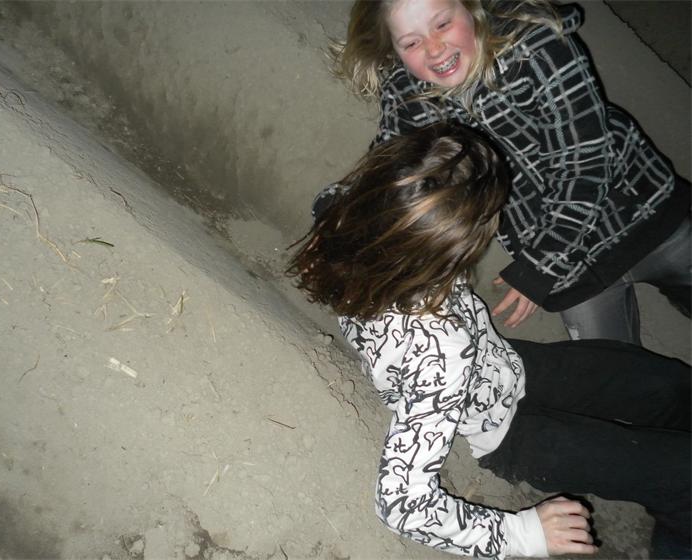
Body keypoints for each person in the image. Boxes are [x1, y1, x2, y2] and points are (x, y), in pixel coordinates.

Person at [289, 123, 691, 559]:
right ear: (450, 251)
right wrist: (522, 533)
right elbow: (402, 504)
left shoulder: (344, 211)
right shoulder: (439, 352)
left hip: (508, 366)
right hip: (506, 434)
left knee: (667, 385)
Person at [313, 0, 691, 344]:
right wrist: (338, 213)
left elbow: (583, 166)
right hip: (576, 274)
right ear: (391, 50)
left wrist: (539, 268)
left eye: (442, 24)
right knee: (619, 378)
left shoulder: (536, 46)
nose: (434, 48)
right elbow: (392, 171)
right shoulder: (406, 92)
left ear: (471, 8)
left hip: (648, 214)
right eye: (411, 42)